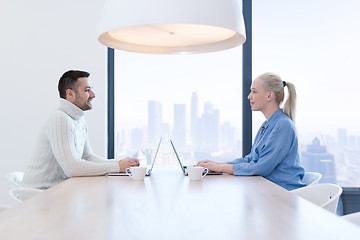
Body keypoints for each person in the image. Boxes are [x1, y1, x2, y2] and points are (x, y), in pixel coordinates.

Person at [22, 70, 139, 189]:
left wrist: (119, 164)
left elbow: (88, 157)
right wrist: (117, 167)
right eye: (87, 90)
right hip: (38, 194)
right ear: (70, 94)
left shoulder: (79, 120)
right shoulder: (59, 118)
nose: (93, 95)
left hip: (58, 191)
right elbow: (72, 168)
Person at [197, 72, 306, 190]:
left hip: (283, 194)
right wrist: (216, 164)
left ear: (269, 96)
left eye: (254, 91)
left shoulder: (284, 125)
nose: (249, 96)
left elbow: (260, 167)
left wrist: (219, 168)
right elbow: (250, 160)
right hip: (267, 190)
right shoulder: (267, 125)